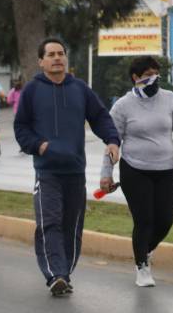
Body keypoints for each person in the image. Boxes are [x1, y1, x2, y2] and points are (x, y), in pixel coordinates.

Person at [14, 36, 120, 296]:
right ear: (41, 61)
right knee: (49, 223)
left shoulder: (80, 89)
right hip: (47, 171)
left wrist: (112, 140)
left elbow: (100, 116)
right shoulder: (32, 90)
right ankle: (55, 274)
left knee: (72, 226)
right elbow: (21, 128)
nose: (57, 58)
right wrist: (39, 146)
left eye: (61, 53)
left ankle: (65, 272)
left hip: (75, 171)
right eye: (51, 54)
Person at [99, 55, 173, 288]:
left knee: (166, 219)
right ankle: (142, 266)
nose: (154, 79)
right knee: (144, 219)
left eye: (156, 74)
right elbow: (112, 141)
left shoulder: (170, 99)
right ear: (136, 78)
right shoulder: (122, 106)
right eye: (148, 75)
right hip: (134, 169)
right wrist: (106, 173)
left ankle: (145, 250)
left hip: (165, 169)